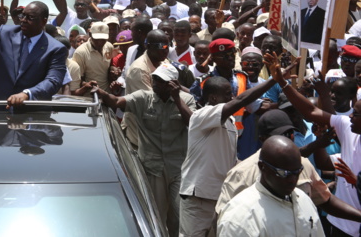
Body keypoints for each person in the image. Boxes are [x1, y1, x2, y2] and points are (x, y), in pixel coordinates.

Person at [266, 52, 361, 237]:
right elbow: (310, 110)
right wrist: (283, 83)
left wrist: (357, 182)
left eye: (355, 114)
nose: (349, 117)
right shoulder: (346, 126)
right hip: (341, 225)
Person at [97, 64, 195, 237]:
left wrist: (177, 99)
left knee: (180, 216)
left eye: (161, 81)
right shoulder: (143, 97)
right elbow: (117, 102)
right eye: (154, 79)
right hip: (152, 167)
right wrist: (101, 92)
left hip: (178, 167)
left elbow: (193, 123)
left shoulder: (186, 99)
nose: (155, 83)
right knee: (154, 215)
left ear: (173, 83)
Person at [178, 74, 279, 237]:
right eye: (227, 94)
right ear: (212, 98)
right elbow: (241, 101)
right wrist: (274, 80)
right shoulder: (202, 115)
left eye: (231, 93)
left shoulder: (230, 123)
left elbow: (230, 161)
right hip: (199, 198)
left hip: (220, 197)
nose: (232, 97)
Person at [217, 136, 325, 236]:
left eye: (297, 172)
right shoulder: (240, 217)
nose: (293, 180)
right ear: (262, 167)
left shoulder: (304, 200)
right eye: (284, 173)